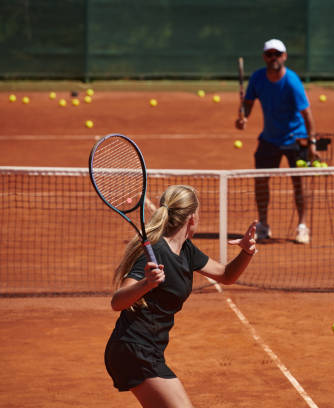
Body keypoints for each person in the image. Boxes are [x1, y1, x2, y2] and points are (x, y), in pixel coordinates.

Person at [104, 184, 257, 408]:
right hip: (134, 349)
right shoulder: (157, 250)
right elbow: (117, 302)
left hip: (148, 349)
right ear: (192, 218)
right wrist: (146, 283)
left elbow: (225, 275)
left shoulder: (186, 249)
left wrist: (246, 252)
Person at [235, 38, 319, 244]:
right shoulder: (257, 78)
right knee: (261, 181)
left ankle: (302, 226)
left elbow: (307, 114)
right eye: (269, 54)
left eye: (277, 54)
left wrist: (312, 143)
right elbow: (247, 104)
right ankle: (263, 224)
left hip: (295, 138)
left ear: (284, 56)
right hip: (269, 139)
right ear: (265, 57)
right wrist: (242, 116)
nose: (274, 58)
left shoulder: (292, 81)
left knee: (299, 183)